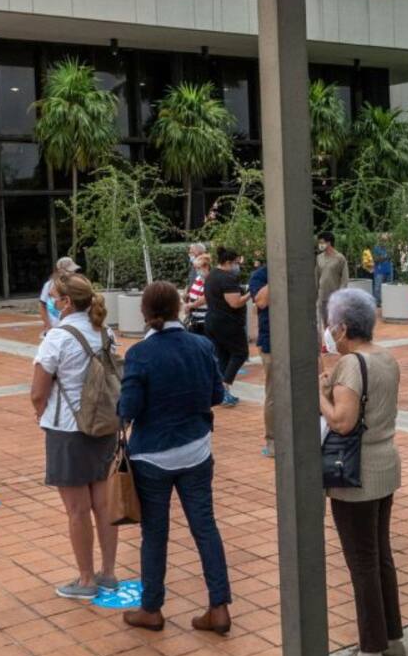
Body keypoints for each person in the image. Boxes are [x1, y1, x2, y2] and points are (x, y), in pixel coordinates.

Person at [118, 282, 233, 634]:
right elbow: (216, 393)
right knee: (205, 527)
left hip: (152, 455)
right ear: (179, 307)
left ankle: (151, 608)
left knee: (155, 534)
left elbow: (128, 409)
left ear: (145, 312)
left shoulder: (140, 354)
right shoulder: (201, 345)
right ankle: (219, 605)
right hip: (196, 449)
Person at [319, 289, 405, 656]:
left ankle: (370, 652)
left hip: (355, 473)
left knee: (362, 562)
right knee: (380, 555)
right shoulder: (384, 357)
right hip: (385, 464)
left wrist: (317, 395)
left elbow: (342, 421)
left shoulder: (351, 365)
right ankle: (391, 638)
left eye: (332, 325)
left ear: (342, 327)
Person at [30, 273, 119, 598]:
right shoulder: (104, 331)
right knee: (103, 504)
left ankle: (85, 580)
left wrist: (41, 416)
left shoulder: (57, 337)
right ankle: (108, 572)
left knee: (77, 509)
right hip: (104, 425)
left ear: (67, 301)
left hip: (67, 429)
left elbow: (39, 391)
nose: (52, 301)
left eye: (55, 296)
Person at [204, 247, 251, 407]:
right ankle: (224, 387)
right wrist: (251, 293)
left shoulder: (211, 275)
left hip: (213, 322)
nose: (238, 266)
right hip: (228, 323)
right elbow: (235, 302)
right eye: (236, 263)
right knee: (240, 353)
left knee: (223, 356)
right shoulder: (227, 278)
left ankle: (221, 392)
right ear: (229, 262)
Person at [247, 260, 275, 457]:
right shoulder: (260, 276)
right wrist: (278, 275)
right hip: (271, 343)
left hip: (299, 341)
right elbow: (261, 301)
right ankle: (273, 441)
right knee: (275, 393)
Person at [38, 256, 80, 335]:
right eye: (70, 270)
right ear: (61, 270)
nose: (73, 273)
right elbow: (42, 305)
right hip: (55, 327)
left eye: (74, 270)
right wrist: (48, 325)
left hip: (72, 327)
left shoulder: (75, 284)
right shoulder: (49, 285)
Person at [315, 232, 349, 328]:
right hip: (323, 296)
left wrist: (341, 294)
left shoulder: (340, 258)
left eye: (322, 242)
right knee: (325, 322)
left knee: (336, 322)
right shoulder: (319, 258)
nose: (320, 245)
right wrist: (316, 292)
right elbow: (317, 275)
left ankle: (337, 340)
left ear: (329, 243)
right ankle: (327, 341)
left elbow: (344, 278)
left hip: (335, 296)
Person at [183, 253, 211, 335]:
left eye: (198, 268)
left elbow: (205, 298)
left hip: (205, 320)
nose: (197, 271)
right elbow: (193, 295)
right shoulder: (198, 278)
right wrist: (186, 297)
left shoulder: (210, 280)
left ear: (206, 267)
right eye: (195, 268)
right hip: (194, 319)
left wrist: (190, 306)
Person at [371, 233, 393, 308]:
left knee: (388, 287)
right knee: (378, 288)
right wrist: (386, 257)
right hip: (379, 271)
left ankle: (387, 302)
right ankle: (377, 303)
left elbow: (391, 257)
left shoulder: (389, 248)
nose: (384, 242)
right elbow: (376, 260)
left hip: (388, 270)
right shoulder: (376, 248)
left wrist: (384, 257)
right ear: (379, 240)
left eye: (386, 240)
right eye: (383, 240)